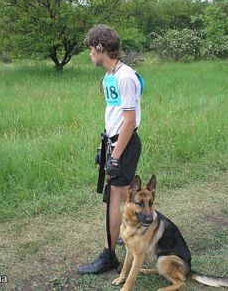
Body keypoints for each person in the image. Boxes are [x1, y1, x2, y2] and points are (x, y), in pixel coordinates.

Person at [78, 24, 142, 274]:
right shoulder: (110, 76)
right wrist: (103, 148)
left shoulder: (125, 76)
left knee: (113, 199)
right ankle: (147, 234)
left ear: (99, 47)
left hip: (124, 145)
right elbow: (114, 115)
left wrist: (114, 157)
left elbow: (129, 121)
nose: (89, 55)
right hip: (114, 142)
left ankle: (109, 256)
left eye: (90, 50)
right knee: (126, 197)